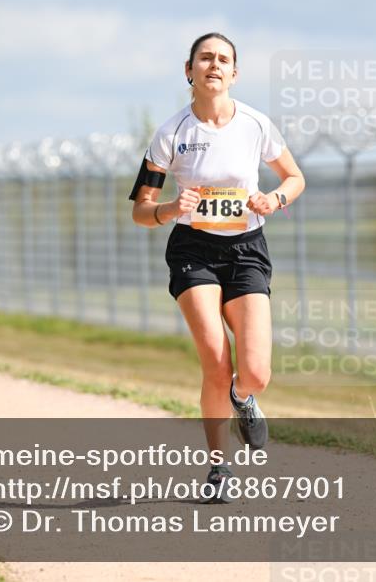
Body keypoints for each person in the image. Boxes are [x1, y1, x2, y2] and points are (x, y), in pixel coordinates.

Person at [130, 33, 305, 503]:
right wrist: (169, 208)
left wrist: (275, 199)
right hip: (193, 251)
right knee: (215, 359)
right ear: (189, 70)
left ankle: (245, 399)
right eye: (205, 58)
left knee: (255, 372)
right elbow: (141, 211)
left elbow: (295, 176)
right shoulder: (170, 134)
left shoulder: (255, 124)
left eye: (223, 59)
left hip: (247, 249)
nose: (214, 65)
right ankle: (219, 466)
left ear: (234, 73)